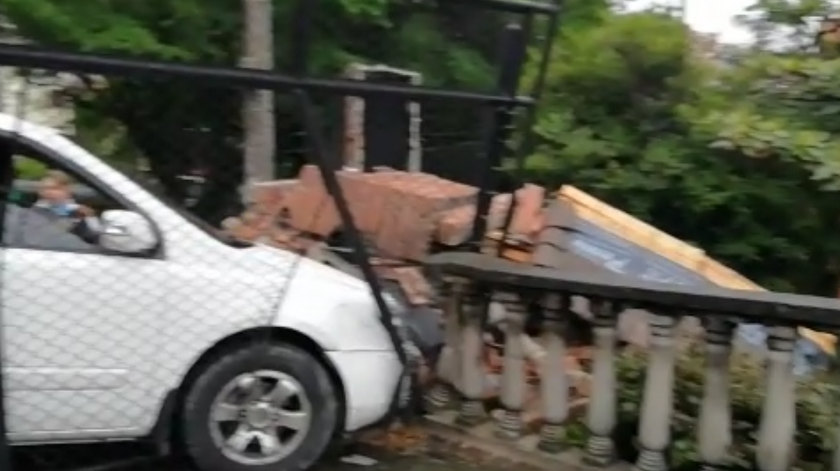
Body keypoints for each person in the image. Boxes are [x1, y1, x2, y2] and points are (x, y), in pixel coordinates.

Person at [33, 170, 102, 244]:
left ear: (66, 190)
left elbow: (95, 238)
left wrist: (90, 217)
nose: (49, 192)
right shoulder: (35, 212)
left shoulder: (79, 211)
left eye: (55, 188)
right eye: (44, 188)